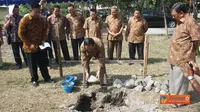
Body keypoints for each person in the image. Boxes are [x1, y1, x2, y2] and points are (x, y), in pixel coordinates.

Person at [168, 2, 200, 107]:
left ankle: (180, 101)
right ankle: (173, 97)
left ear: (181, 13)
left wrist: (192, 52)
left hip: (184, 57)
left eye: (174, 15)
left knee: (181, 80)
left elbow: (196, 39)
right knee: (173, 79)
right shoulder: (180, 20)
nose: (173, 17)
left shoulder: (191, 22)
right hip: (174, 56)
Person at [18, 2, 54, 87]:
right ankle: (34, 80)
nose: (38, 14)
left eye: (39, 12)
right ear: (31, 10)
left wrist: (44, 39)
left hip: (41, 46)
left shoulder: (42, 19)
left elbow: (46, 29)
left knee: (43, 63)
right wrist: (30, 44)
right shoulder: (24, 20)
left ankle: (47, 78)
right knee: (32, 65)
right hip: (29, 47)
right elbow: (20, 34)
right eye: (36, 12)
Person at [4, 4, 27, 69]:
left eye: (17, 9)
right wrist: (9, 20)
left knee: (24, 50)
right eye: (15, 10)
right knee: (15, 52)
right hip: (13, 37)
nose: (16, 11)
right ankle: (18, 64)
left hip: (21, 37)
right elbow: (5, 27)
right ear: (12, 10)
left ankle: (27, 62)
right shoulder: (7, 17)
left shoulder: (21, 17)